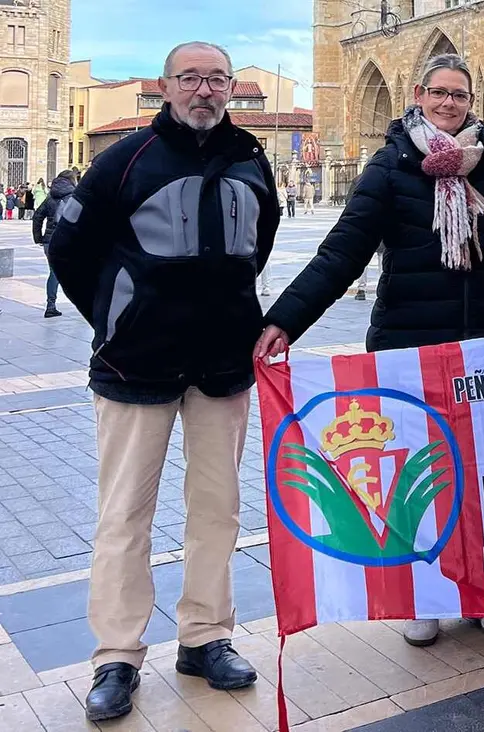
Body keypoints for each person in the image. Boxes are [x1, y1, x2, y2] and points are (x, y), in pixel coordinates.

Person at [253, 54, 484, 646]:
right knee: (418, 476)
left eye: (459, 95)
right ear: (418, 95)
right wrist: (286, 319)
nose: (448, 104)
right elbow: (343, 252)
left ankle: (483, 590)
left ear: (472, 101)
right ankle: (424, 599)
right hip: (408, 346)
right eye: (438, 93)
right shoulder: (391, 166)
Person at [47, 41, 278, 721]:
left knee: (218, 511)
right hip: (134, 364)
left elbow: (257, 244)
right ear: (165, 86)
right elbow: (70, 247)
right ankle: (116, 655)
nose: (203, 90)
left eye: (216, 79)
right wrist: (118, 318)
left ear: (230, 87)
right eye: (190, 78)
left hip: (223, 365)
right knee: (124, 516)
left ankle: (205, 637)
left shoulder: (250, 159)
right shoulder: (125, 161)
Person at [31, 170, 77, 318]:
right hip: (67, 240)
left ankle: (51, 305)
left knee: (54, 273)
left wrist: (38, 237)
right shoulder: (75, 195)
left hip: (49, 241)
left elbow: (37, 216)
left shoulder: (50, 196)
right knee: (78, 271)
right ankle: (83, 303)